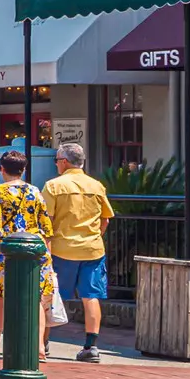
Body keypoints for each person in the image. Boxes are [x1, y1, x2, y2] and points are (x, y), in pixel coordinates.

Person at [0, 149, 53, 358]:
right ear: (24, 169)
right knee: (35, 299)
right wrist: (48, 258)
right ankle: (38, 348)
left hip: (5, 253)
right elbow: (46, 227)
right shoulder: (35, 191)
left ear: (1, 169)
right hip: (35, 252)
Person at [43, 142, 114, 362]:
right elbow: (105, 219)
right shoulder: (96, 185)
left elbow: (46, 221)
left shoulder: (54, 186)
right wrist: (95, 237)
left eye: (56, 160)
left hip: (61, 249)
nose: (56, 164)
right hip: (92, 249)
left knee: (49, 296)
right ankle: (91, 347)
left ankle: (42, 343)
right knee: (91, 296)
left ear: (64, 162)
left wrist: (46, 248)